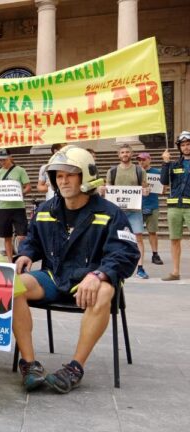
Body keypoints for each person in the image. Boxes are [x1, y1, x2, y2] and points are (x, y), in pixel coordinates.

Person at [13, 145, 139, 394]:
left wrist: (99, 275)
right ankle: (29, 365)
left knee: (104, 291)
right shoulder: (45, 210)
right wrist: (26, 253)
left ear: (86, 176)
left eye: (70, 174)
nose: (63, 180)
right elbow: (33, 240)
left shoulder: (111, 213)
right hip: (53, 277)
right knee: (12, 286)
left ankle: (75, 367)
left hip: (88, 281)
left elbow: (126, 254)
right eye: (59, 175)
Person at [105, 143, 149, 279]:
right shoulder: (112, 171)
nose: (125, 154)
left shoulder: (139, 170)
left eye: (127, 152)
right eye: (122, 152)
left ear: (131, 154)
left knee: (139, 238)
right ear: (119, 155)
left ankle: (140, 268)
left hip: (134, 210)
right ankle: (113, 266)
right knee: (113, 238)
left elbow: (146, 188)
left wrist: (145, 191)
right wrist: (103, 190)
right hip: (117, 211)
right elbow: (108, 188)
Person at [160, 131, 190, 281]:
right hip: (174, 207)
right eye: (183, 145)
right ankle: (175, 272)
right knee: (174, 239)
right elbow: (164, 181)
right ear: (179, 147)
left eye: (188, 144)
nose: (186, 147)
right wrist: (165, 163)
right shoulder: (174, 164)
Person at [0, 149, 31, 258]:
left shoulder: (20, 170)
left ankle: (22, 256)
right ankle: (10, 261)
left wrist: (19, 192)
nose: (2, 162)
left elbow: (28, 187)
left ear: (10, 157)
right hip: (3, 207)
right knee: (6, 236)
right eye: (0, 160)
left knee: (22, 235)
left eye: (4, 159)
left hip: (18, 207)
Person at [136, 152, 164, 266]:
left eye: (143, 159)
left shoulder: (157, 173)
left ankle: (155, 254)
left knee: (152, 232)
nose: (141, 162)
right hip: (137, 206)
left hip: (152, 205)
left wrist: (162, 187)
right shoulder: (135, 172)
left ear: (149, 160)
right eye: (139, 160)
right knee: (137, 233)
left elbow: (163, 190)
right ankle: (137, 255)